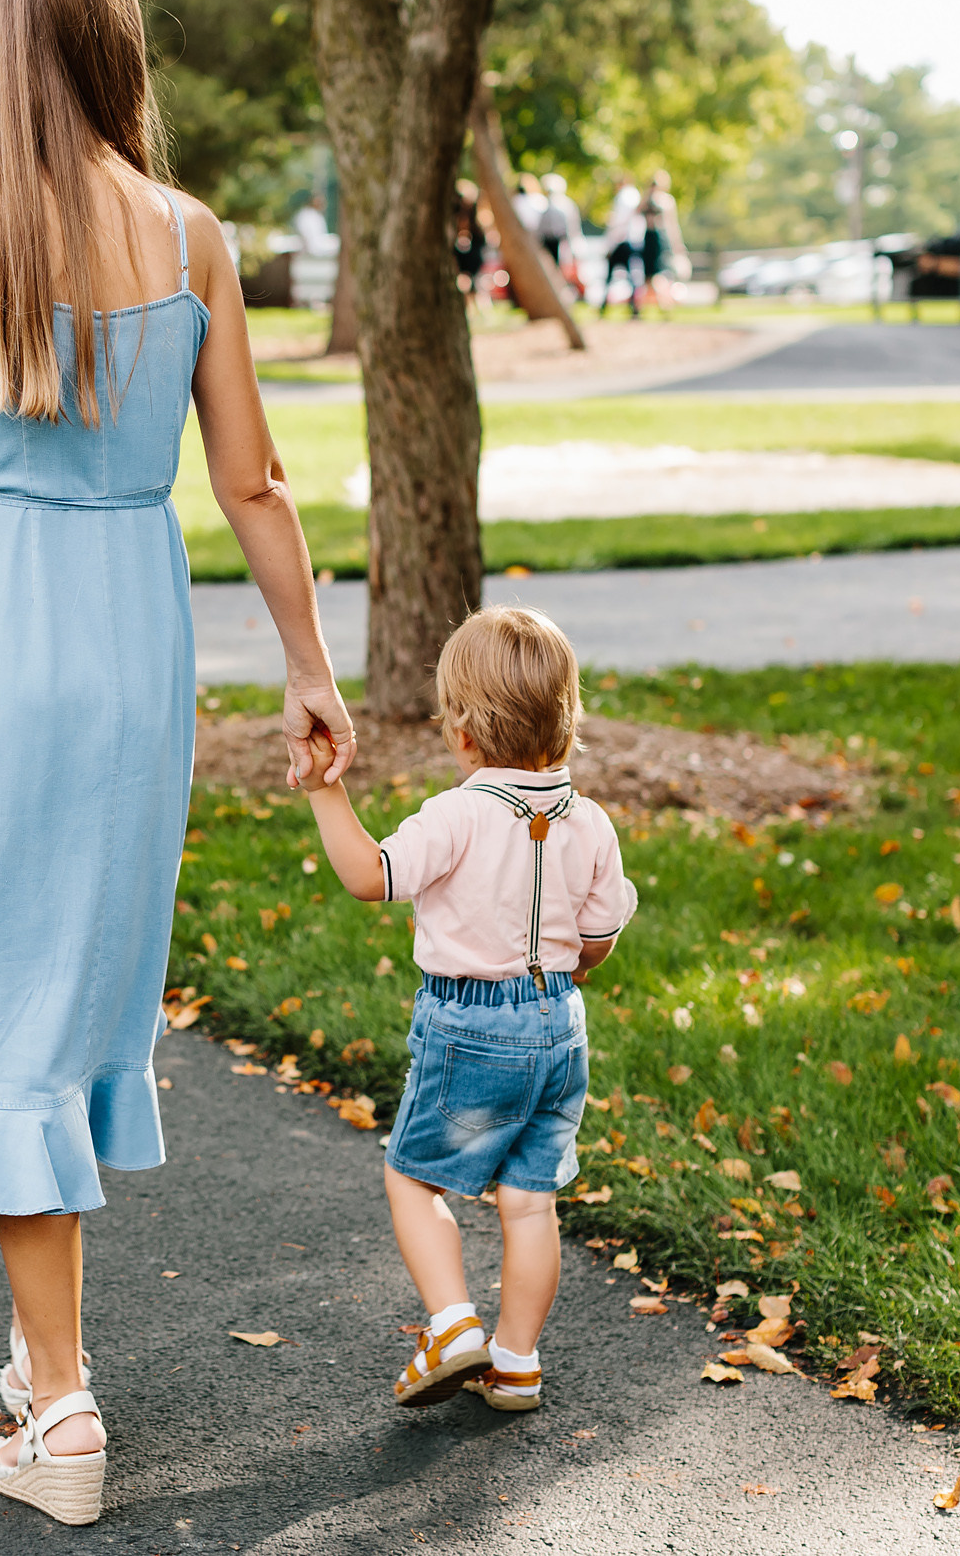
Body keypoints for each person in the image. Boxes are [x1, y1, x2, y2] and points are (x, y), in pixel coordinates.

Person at [0, 0, 354, 1528]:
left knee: (0, 1029)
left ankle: (60, 1408)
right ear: (119, 41)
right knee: (55, 1010)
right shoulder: (190, 235)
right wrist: (311, 667)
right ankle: (35, 1355)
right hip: (133, 661)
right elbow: (250, 477)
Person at [290, 607, 636, 1416]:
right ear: (566, 719)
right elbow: (597, 940)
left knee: (413, 1177)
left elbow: (372, 875)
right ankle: (516, 1360)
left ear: (465, 735)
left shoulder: (458, 814)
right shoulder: (590, 822)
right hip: (559, 1026)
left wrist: (325, 790)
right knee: (530, 1199)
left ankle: (451, 1325)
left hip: (470, 1025)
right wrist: (563, 967)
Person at [639, 170, 687, 319]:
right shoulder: (647, 200)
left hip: (660, 239)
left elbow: (672, 225)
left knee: (659, 275)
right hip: (648, 238)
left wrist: (677, 244)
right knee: (647, 276)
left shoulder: (666, 201)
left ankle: (664, 304)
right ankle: (645, 307)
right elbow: (638, 211)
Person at [597, 173, 641, 318]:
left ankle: (604, 305)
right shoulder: (635, 196)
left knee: (611, 275)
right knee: (632, 275)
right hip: (633, 241)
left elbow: (618, 222)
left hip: (620, 241)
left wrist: (610, 244)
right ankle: (634, 305)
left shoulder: (622, 198)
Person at [537, 173, 582, 301]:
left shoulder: (565, 205)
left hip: (562, 242)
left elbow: (572, 228)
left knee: (564, 271)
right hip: (549, 242)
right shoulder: (546, 205)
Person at [454, 179, 491, 316]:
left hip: (472, 252)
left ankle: (476, 310)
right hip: (474, 252)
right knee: (474, 283)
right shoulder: (478, 216)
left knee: (472, 282)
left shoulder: (471, 217)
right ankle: (477, 310)